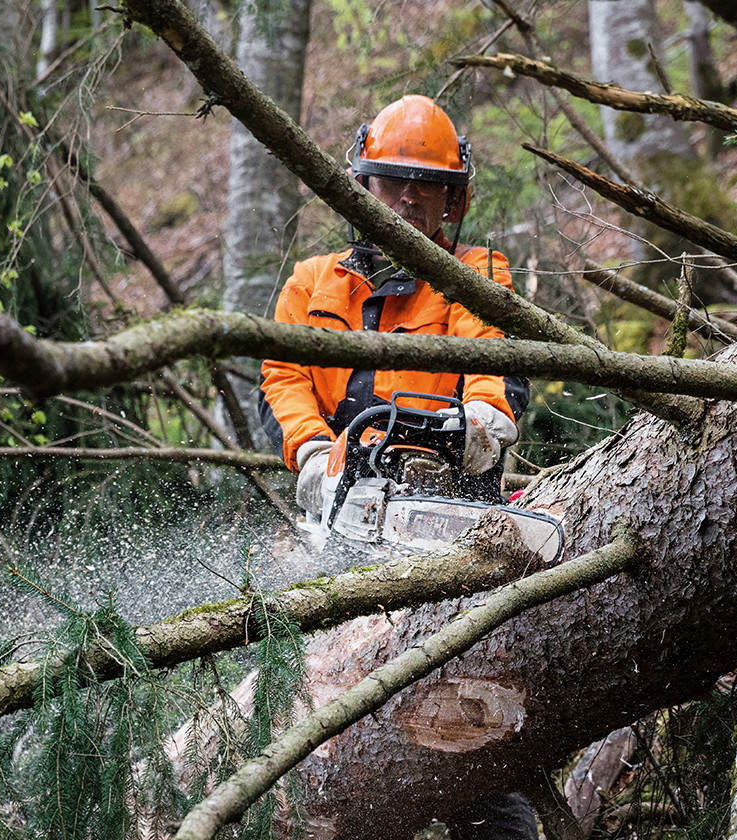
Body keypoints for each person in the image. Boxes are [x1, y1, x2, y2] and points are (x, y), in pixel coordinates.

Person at [255, 94, 537, 840]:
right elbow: (282, 377)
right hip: (340, 529)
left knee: (464, 728)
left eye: (425, 185)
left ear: (454, 196)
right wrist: (313, 454)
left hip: (446, 526)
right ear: (362, 184)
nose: (407, 198)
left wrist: (479, 426)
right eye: (391, 181)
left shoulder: (475, 275)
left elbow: (494, 369)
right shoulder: (313, 283)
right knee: (333, 735)